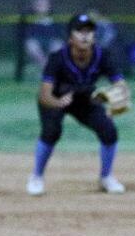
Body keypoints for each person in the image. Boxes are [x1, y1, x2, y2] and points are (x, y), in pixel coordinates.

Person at [26, 13, 127, 196]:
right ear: (70, 37)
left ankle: (106, 177)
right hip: (56, 98)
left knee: (109, 130)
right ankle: (36, 176)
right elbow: (44, 95)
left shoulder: (102, 56)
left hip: (84, 99)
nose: (85, 35)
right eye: (79, 31)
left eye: (89, 31)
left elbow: (121, 85)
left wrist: (116, 98)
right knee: (51, 131)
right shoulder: (58, 58)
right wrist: (57, 102)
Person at [21, 0, 61, 71]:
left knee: (58, 46)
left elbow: (58, 33)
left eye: (44, 3)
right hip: (35, 41)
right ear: (33, 5)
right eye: (38, 3)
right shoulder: (28, 17)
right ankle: (46, 67)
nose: (41, 5)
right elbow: (26, 33)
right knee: (31, 46)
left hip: (51, 41)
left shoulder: (55, 17)